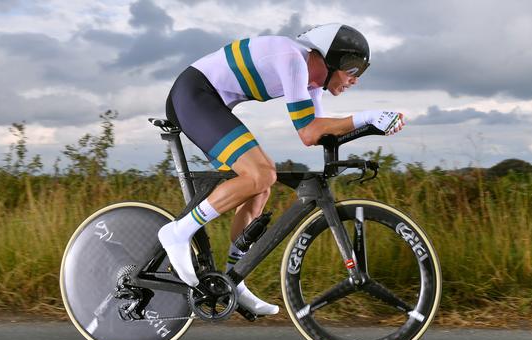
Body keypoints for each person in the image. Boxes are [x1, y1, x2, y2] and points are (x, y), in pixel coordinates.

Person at [159, 23, 406, 316]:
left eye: (360, 73)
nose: (355, 79)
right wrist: (367, 116)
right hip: (195, 93)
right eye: (352, 69)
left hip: (210, 101)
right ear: (330, 59)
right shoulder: (294, 59)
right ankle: (178, 232)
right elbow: (309, 130)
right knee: (260, 173)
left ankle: (233, 279)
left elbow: (316, 134)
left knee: (260, 186)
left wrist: (369, 127)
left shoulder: (312, 83)